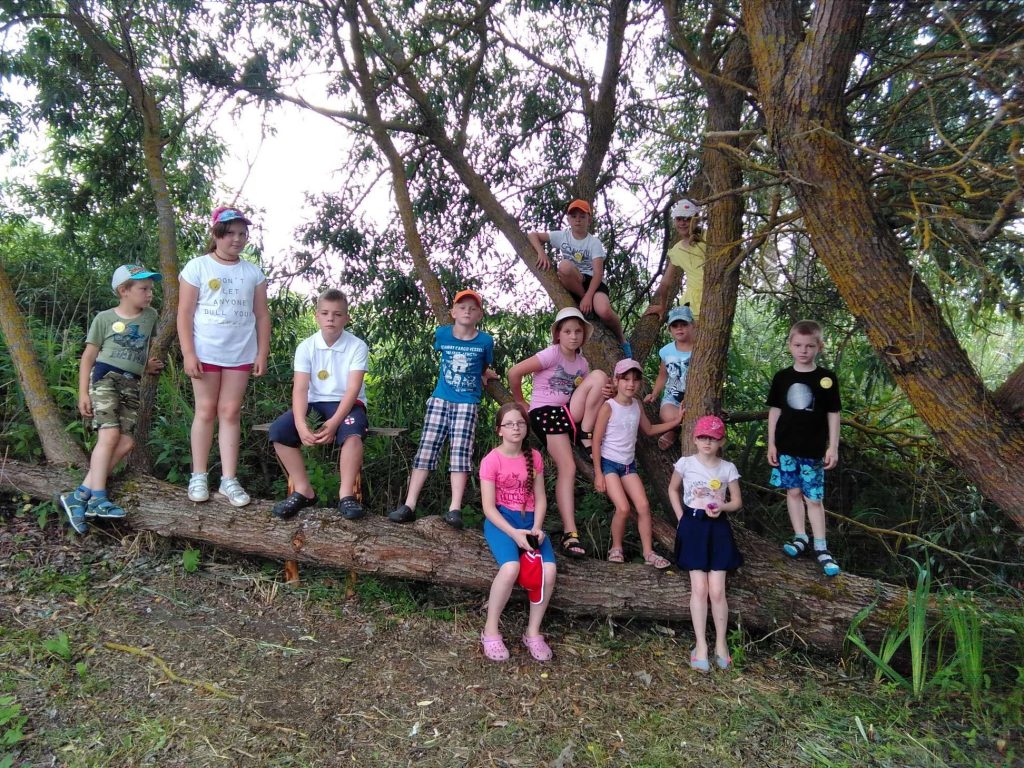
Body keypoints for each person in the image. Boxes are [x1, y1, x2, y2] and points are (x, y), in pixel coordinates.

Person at [59, 265, 165, 534]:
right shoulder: (104, 318)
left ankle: (79, 495)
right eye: (143, 288)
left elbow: (137, 348)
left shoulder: (151, 315)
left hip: (132, 382)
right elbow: (89, 356)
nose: (150, 294)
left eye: (151, 289)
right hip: (105, 377)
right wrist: (83, 393)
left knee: (127, 442)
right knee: (109, 435)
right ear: (123, 291)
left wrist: (145, 366)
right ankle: (98, 498)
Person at [177, 206, 270, 508]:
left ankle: (229, 479)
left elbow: (261, 315)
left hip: (240, 352)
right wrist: (188, 353)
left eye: (242, 233)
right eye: (230, 233)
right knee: (205, 410)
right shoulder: (197, 267)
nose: (237, 239)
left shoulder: (253, 273)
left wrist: (262, 351)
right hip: (206, 352)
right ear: (216, 234)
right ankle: (198, 475)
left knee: (230, 412)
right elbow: (184, 313)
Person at [389, 289, 498, 529]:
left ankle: (454, 508)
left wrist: (484, 374)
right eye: (462, 307)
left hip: (467, 401)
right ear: (453, 312)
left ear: (479, 315)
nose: (467, 311)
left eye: (472, 308)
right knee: (426, 450)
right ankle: (409, 505)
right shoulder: (443, 334)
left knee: (460, 453)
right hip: (440, 399)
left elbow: (483, 364)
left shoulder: (485, 341)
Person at [507, 306, 609, 559]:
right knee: (568, 468)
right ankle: (569, 533)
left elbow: (588, 391)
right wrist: (520, 401)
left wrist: (608, 392)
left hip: (568, 414)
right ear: (558, 335)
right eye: (567, 331)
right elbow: (514, 372)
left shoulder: (582, 363)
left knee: (599, 378)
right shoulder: (552, 354)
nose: (573, 336)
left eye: (578, 332)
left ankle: (585, 434)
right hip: (546, 413)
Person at [267, 290, 369, 520]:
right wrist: (300, 424)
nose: (330, 318)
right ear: (316, 316)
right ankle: (304, 490)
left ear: (346, 318)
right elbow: (300, 389)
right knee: (279, 431)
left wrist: (333, 424)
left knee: (353, 434)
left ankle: (346, 495)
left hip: (347, 404)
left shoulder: (357, 346)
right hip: (315, 403)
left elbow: (352, 389)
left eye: (337, 314)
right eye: (325, 313)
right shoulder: (306, 346)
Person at [479, 402, 557, 662]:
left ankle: (533, 632)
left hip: (530, 522)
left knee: (549, 571)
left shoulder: (534, 456)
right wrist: (514, 534)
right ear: (499, 430)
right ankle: (490, 631)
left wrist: (536, 528)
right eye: (509, 424)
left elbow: (541, 498)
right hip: (501, 522)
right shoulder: (491, 460)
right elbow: (488, 508)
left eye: (520, 423)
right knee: (511, 568)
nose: (516, 428)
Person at [767, 319, 842, 576]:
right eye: (798, 345)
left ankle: (821, 546)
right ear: (790, 345)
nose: (803, 350)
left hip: (813, 451)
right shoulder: (782, 377)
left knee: (814, 498)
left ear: (819, 347)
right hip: (786, 448)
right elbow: (774, 411)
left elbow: (834, 413)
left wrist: (833, 446)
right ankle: (800, 537)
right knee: (793, 492)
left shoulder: (826, 379)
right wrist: (771, 443)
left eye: (809, 346)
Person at [668, 415, 743, 673]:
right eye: (702, 437)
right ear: (695, 438)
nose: (707, 442)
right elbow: (673, 489)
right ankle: (700, 645)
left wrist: (722, 507)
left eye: (713, 438)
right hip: (692, 526)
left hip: (718, 528)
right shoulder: (686, 463)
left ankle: (721, 643)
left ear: (721, 441)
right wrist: (681, 517)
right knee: (699, 589)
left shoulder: (727, 468)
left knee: (717, 591)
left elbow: (737, 501)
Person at [592, 358, 680, 568]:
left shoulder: (637, 405)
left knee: (643, 506)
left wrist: (676, 422)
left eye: (635, 380)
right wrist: (598, 473)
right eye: (625, 379)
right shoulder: (609, 407)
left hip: (628, 466)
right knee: (623, 508)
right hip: (609, 464)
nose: (630, 384)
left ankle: (648, 552)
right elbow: (596, 440)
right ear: (616, 381)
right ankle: (616, 548)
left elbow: (648, 430)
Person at [529, 199, 631, 356]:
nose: (578, 220)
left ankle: (622, 340)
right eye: (574, 216)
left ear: (589, 220)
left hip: (593, 281)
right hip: (575, 280)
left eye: (582, 217)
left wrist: (589, 296)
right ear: (568, 219)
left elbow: (598, 273)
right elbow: (532, 235)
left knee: (604, 311)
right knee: (564, 266)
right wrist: (541, 253)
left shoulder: (594, 243)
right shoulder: (563, 236)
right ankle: (584, 302)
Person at [645, 198, 706, 321]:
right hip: (691, 303)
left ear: (696, 219)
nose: (682, 223)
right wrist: (662, 306)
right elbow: (664, 283)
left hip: (711, 296)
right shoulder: (677, 250)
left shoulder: (708, 237)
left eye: (687, 219)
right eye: (679, 219)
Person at [644, 305, 695, 451]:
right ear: (669, 329)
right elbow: (663, 375)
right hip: (673, 398)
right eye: (675, 325)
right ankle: (675, 428)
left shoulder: (700, 349)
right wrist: (654, 393)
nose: (679, 329)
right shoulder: (666, 351)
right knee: (668, 415)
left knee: (694, 416)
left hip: (694, 398)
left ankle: (674, 431)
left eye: (683, 324)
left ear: (692, 325)